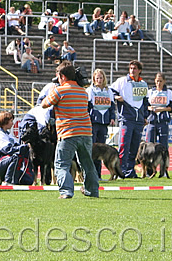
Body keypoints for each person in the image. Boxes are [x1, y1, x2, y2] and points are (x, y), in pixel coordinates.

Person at [41, 62, 98, 198]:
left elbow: (44, 104)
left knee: (61, 164)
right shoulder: (83, 92)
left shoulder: (59, 91)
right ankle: (92, 191)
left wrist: (52, 91)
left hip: (67, 132)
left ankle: (66, 192)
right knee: (87, 164)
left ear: (62, 76)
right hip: (85, 132)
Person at [110, 60, 148, 178]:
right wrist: (117, 97)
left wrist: (145, 116)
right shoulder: (122, 81)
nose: (132, 70)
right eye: (131, 68)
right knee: (124, 145)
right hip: (126, 117)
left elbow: (145, 101)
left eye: (135, 68)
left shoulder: (143, 83)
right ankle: (121, 170)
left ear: (139, 70)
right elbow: (110, 91)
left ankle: (130, 170)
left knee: (134, 146)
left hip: (138, 119)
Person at [0, 111, 33, 185]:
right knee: (15, 156)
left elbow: (16, 145)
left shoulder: (8, 134)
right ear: (5, 122)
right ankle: (8, 181)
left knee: (28, 181)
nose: (13, 123)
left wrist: (24, 147)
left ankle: (13, 179)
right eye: (11, 121)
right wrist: (23, 147)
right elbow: (8, 150)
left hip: (6, 161)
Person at [87, 69, 115, 179]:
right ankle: (90, 174)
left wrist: (112, 118)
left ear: (104, 79)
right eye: (97, 78)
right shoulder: (90, 90)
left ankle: (98, 175)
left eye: (101, 78)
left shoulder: (109, 91)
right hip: (93, 123)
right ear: (94, 79)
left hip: (104, 123)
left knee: (101, 151)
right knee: (92, 150)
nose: (99, 80)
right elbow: (88, 106)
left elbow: (112, 107)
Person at [145, 72, 172, 150]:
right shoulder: (150, 92)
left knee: (163, 145)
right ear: (155, 81)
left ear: (164, 81)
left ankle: (163, 160)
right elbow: (144, 105)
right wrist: (150, 108)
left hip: (163, 121)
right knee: (150, 144)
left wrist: (162, 109)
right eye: (157, 81)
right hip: (152, 120)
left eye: (160, 81)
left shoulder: (169, 93)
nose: (159, 83)